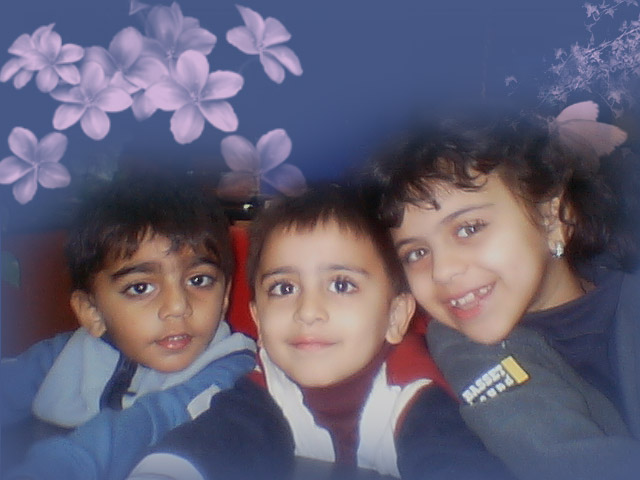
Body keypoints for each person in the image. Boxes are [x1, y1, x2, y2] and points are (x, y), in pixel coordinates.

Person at [126, 185, 513, 480]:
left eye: (341, 285)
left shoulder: (416, 395)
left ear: (395, 317)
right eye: (284, 288)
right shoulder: (263, 390)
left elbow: (453, 460)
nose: (308, 311)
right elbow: (211, 442)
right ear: (257, 318)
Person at [369, 113, 640, 480]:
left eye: (469, 228)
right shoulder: (462, 345)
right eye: (416, 253)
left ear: (553, 217)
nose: (442, 271)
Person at [1, 173, 256, 480]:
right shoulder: (61, 355)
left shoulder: (230, 371)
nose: (178, 307)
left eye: (199, 280)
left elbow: (154, 418)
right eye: (140, 288)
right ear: (93, 312)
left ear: (225, 297)